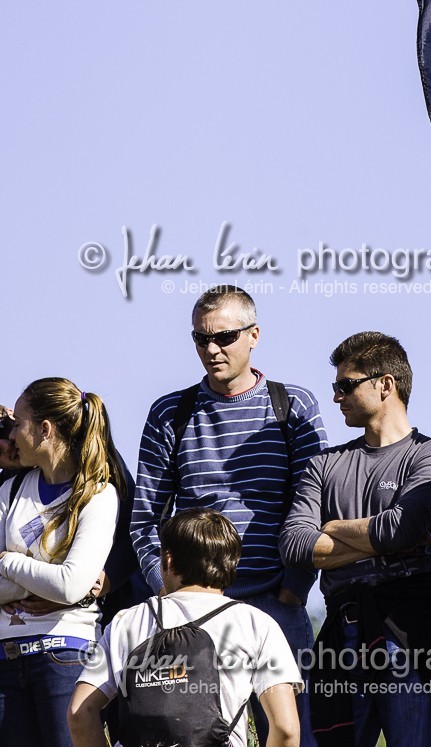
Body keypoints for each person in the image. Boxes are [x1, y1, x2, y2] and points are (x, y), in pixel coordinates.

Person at [129, 284, 326, 743]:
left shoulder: (293, 406)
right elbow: (145, 521)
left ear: (254, 335)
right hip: (190, 610)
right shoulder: (169, 413)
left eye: (224, 338)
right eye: (201, 339)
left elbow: (312, 504)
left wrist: (295, 588)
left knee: (294, 735)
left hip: (276, 605)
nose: (212, 349)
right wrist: (169, 591)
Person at [281, 332, 431, 747]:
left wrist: (331, 528)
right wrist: (382, 539)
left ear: (385, 385)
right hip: (341, 631)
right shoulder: (324, 464)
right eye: (335, 387)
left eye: (346, 385)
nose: (337, 397)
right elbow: (293, 544)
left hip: (411, 633)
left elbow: (402, 529)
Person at [68, 509, 302, 747]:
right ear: (232, 563)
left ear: (168, 560)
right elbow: (285, 728)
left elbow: (80, 713)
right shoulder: (256, 624)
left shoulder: (126, 621)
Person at [0, 378, 124, 747]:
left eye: (18, 424)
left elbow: (71, 585)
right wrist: (49, 578)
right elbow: (68, 582)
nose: (12, 435)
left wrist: (7, 561)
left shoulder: (99, 495)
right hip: (6, 659)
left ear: (44, 430)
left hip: (66, 657)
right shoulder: (9, 491)